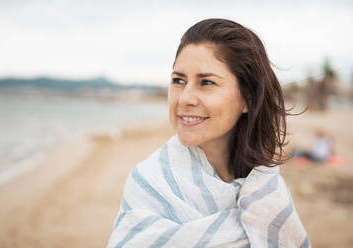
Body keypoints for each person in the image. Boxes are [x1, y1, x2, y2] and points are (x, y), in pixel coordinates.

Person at [107, 19, 310, 247]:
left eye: (206, 82)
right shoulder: (148, 183)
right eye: (178, 80)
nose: (184, 98)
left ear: (248, 98)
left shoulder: (267, 188)